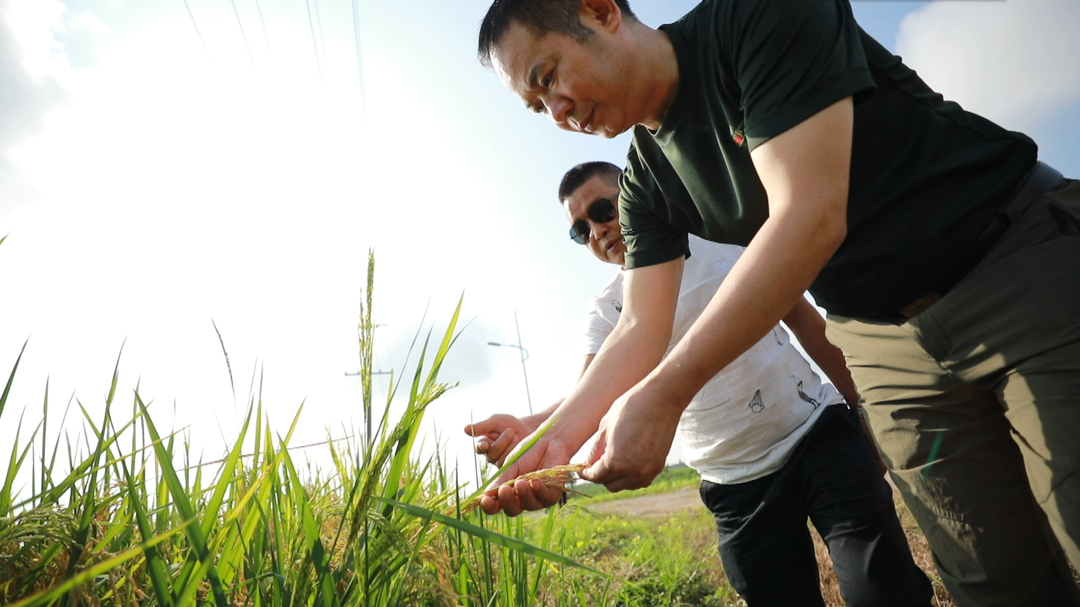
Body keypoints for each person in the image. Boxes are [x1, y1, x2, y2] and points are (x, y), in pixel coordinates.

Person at [474, 0, 1080, 605]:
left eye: (548, 77)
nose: (557, 113)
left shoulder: (755, 19)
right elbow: (638, 326)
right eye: (538, 106)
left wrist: (664, 394)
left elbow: (808, 214)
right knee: (994, 580)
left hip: (1010, 262)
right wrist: (553, 446)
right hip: (880, 340)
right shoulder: (645, 188)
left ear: (600, 11)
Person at [467, 161, 932, 606]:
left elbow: (808, 323)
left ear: (632, 194)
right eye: (580, 230)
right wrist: (534, 428)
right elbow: (590, 390)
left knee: (885, 591)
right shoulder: (608, 310)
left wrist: (863, 407)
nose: (597, 231)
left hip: (817, 433)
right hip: (733, 481)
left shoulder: (719, 238)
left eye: (603, 210)